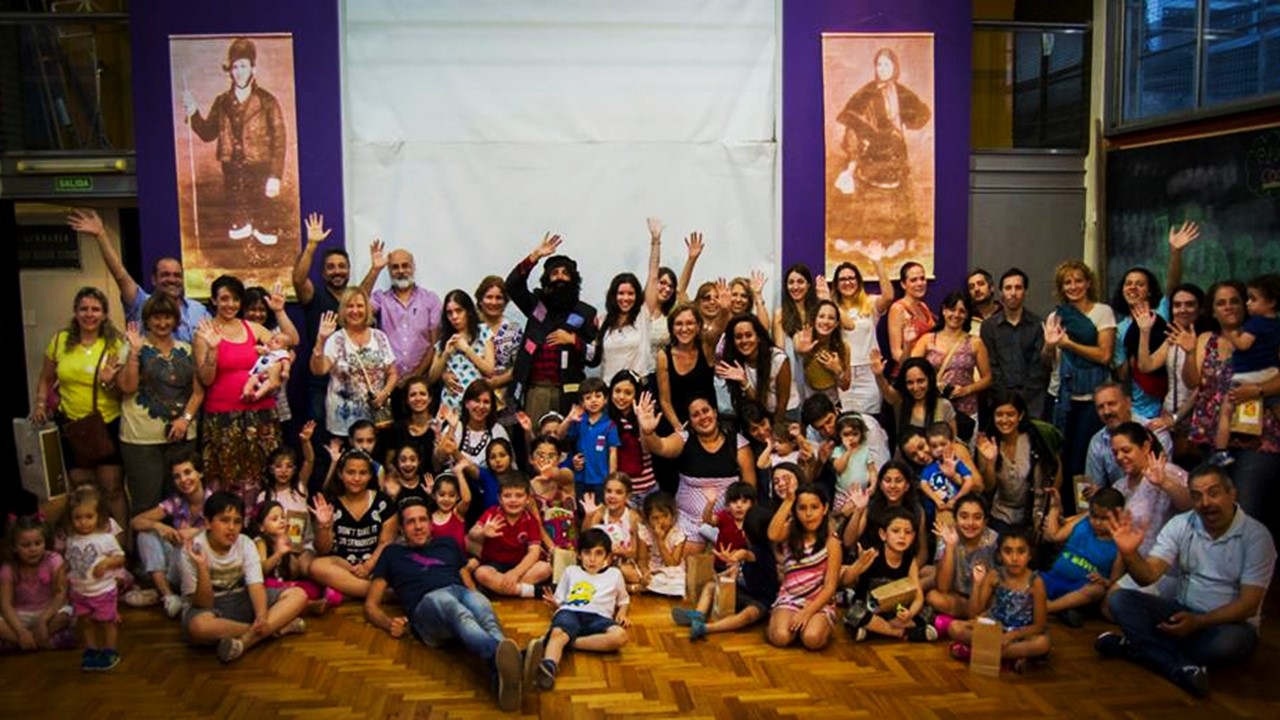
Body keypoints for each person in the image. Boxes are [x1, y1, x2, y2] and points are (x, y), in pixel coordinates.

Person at [1097, 464, 1277, 698]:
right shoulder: (1181, 523)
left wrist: (1199, 622)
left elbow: (1249, 605)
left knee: (1228, 644)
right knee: (1120, 600)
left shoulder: (1257, 537)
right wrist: (1130, 553)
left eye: (1213, 493)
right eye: (1197, 496)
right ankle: (1178, 666)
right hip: (1182, 611)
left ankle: (1138, 648)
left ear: (1232, 493)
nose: (1206, 503)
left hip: (1229, 624)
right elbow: (1147, 576)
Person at [364, 497, 524, 712]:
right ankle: (514, 659)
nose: (418, 526)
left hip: (458, 593)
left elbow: (467, 582)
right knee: (450, 605)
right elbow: (371, 605)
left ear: (431, 523)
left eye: (423, 520)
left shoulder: (447, 543)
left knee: (482, 607)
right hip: (427, 608)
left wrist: (477, 600)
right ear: (401, 528)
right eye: (411, 522)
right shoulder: (391, 554)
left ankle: (504, 678)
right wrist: (388, 623)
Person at [1181, 281, 1280, 524]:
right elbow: (1193, 382)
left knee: (1247, 508)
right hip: (1213, 439)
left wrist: (1256, 390)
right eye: (1221, 303)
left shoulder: (1264, 334)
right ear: (1213, 311)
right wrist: (1190, 353)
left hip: (1257, 437)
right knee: (1217, 511)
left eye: (1235, 301)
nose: (1229, 307)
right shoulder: (1206, 339)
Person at [33, 287, 130, 535]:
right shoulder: (60, 340)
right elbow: (46, 378)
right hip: (71, 427)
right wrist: (40, 404)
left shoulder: (116, 343)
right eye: (84, 309)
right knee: (82, 491)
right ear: (75, 313)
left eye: (95, 309)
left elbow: (125, 390)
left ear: (104, 314)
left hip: (106, 425)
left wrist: (109, 381)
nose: (89, 314)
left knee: (112, 491)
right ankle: (89, 544)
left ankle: (122, 545)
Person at [194, 277, 297, 510]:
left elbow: (290, 342)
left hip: (261, 416)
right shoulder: (204, 332)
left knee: (264, 476)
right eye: (224, 298)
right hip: (223, 418)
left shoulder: (253, 328)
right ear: (213, 300)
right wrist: (212, 349)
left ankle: (261, 524)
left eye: (235, 299)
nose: (230, 304)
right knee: (227, 480)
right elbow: (206, 379)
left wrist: (279, 312)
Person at [179, 491, 308, 663]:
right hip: (210, 608)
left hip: (242, 598)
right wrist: (202, 567)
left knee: (298, 594)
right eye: (224, 520)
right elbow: (204, 603)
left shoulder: (246, 543)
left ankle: (244, 642)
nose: (231, 527)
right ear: (208, 522)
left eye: (237, 521)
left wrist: (261, 617)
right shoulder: (192, 549)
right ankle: (274, 629)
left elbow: (256, 585)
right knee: (198, 627)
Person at [181, 37, 286, 245]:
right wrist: (193, 112)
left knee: (265, 233)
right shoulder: (221, 102)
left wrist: (275, 176)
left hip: (261, 170)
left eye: (243, 66)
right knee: (238, 235)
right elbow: (208, 133)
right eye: (235, 67)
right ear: (230, 71)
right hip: (232, 173)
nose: (239, 72)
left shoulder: (267, 101)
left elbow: (279, 140)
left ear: (253, 69)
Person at [831, 47, 931, 249]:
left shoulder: (901, 92)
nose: (883, 68)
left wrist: (905, 124)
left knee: (899, 196)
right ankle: (867, 240)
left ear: (895, 67)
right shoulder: (867, 93)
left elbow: (922, 113)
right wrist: (857, 151)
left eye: (887, 64)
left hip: (895, 153)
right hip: (871, 155)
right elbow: (853, 123)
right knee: (867, 198)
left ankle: (900, 239)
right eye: (879, 64)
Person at [117, 294, 204, 520]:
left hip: (182, 437)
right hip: (141, 440)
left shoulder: (188, 349)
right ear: (147, 320)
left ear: (175, 320)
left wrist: (185, 419)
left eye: (167, 317)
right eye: (156, 318)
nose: (162, 323)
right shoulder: (132, 346)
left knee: (180, 501)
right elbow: (127, 387)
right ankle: (149, 544)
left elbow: (198, 391)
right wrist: (134, 354)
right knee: (146, 502)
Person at [636, 393, 757, 552]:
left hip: (728, 524)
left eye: (705, 411)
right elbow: (660, 447)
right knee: (682, 563)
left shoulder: (738, 443)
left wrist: (741, 525)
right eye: (695, 415)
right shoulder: (684, 439)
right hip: (688, 523)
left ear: (715, 412)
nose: (702, 417)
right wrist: (648, 432)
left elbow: (750, 490)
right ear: (690, 421)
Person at [68, 208, 211, 343]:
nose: (172, 280)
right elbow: (120, 275)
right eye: (165, 275)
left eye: (177, 275)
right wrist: (101, 235)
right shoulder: (141, 303)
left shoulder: (198, 311)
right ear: (154, 279)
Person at [1110, 221, 1200, 419]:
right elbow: (1123, 375)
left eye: (1140, 284)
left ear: (1149, 291)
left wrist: (1175, 253)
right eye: (1128, 284)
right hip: (1141, 407)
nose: (1133, 288)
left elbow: (1173, 284)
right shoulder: (1119, 328)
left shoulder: (1163, 311)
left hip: (1173, 401)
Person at [524, 527, 631, 692]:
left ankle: (567, 644)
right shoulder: (571, 571)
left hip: (600, 618)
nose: (592, 559)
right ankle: (549, 667)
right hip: (571, 612)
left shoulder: (615, 574)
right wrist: (554, 604)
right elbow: (560, 602)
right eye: (587, 553)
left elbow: (624, 600)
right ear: (579, 555)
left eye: (598, 553)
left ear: (608, 557)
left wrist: (622, 613)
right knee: (559, 632)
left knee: (620, 637)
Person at [506, 233, 599, 421]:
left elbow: (594, 357)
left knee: (567, 438)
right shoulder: (536, 305)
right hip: (536, 391)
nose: (560, 277)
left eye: (565, 273)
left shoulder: (586, 313)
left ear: (573, 279)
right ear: (547, 279)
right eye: (555, 273)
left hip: (570, 394)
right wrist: (535, 256)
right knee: (534, 438)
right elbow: (512, 286)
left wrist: (573, 340)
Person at [1043, 260, 1116, 484]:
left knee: (1084, 458)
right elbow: (1047, 362)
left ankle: (1083, 503)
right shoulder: (1056, 317)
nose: (1073, 287)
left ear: (1088, 283)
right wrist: (1049, 345)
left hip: (1092, 398)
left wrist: (1069, 344)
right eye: (1067, 282)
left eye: (1078, 281)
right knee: (1060, 456)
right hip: (1060, 395)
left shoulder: (1102, 312)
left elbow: (1104, 355)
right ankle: (1062, 502)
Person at [946, 529, 1051, 673]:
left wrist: (1011, 635)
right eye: (1008, 551)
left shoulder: (1035, 582)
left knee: (1042, 644)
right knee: (955, 627)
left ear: (1030, 555)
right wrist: (977, 584)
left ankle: (977, 653)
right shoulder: (995, 575)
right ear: (1000, 554)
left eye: (1021, 551)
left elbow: (1039, 625)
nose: (1014, 558)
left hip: (1021, 633)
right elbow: (974, 613)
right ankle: (1008, 657)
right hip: (994, 628)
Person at [359, 241, 443, 416]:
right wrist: (375, 270)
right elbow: (357, 305)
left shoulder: (430, 299)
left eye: (405, 265)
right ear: (389, 271)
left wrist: (415, 375)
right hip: (389, 385)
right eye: (395, 267)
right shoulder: (380, 299)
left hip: (423, 384)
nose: (401, 271)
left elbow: (434, 344)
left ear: (413, 267)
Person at [672, 504, 779, 641]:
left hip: (761, 600)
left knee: (747, 616)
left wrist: (734, 557)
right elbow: (741, 563)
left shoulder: (762, 553)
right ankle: (698, 615)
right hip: (743, 591)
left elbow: (745, 554)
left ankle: (705, 628)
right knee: (710, 586)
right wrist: (730, 572)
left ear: (744, 532)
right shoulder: (750, 547)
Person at [307, 450, 398, 603]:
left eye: (363, 473)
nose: (356, 478)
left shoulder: (384, 502)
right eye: (350, 472)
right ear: (340, 474)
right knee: (316, 566)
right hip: (343, 567)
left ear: (370, 476)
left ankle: (347, 592)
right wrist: (324, 526)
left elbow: (385, 543)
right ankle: (381, 594)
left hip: (376, 564)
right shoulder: (330, 504)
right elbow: (323, 550)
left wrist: (367, 567)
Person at [1134, 283, 1208, 465]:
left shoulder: (1205, 338)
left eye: (1189, 304)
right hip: (1168, 417)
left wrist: (1175, 418)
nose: (1183, 309)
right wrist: (1144, 332)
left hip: (1193, 419)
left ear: (1200, 309)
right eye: (1177, 305)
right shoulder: (1172, 337)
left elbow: (1200, 386)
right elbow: (1146, 366)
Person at [130, 454, 211, 619]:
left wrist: (196, 532)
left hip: (203, 564)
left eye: (188, 472)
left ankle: (185, 598)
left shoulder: (214, 500)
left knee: (191, 543)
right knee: (145, 534)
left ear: (200, 473)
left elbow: (225, 530)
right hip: (176, 562)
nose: (183, 480)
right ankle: (169, 597)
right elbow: (135, 522)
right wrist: (158, 526)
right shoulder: (177, 502)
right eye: (177, 476)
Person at [840, 506, 936, 643]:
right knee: (854, 614)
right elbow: (845, 580)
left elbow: (918, 595)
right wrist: (858, 566)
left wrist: (910, 613)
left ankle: (875, 632)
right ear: (883, 534)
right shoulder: (872, 554)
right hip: (870, 608)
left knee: (928, 613)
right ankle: (902, 634)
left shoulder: (910, 561)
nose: (902, 536)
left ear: (914, 536)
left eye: (908, 532)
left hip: (896, 609)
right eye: (895, 531)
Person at [310, 288, 398, 439]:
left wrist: (385, 393)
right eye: (350, 306)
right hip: (343, 424)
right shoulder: (335, 340)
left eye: (359, 306)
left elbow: (393, 373)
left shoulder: (380, 337)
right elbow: (319, 370)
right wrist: (321, 341)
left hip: (375, 421)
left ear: (367, 309)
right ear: (343, 310)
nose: (355, 311)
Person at [765, 483, 842, 650]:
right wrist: (788, 502)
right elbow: (772, 534)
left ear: (824, 508)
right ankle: (780, 619)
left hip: (819, 601)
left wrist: (807, 613)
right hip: (790, 596)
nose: (808, 514)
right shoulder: (789, 532)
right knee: (781, 637)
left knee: (812, 639)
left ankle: (820, 625)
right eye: (802, 508)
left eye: (814, 507)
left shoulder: (832, 542)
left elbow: (830, 587)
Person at [291, 212, 350, 428]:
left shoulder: (353, 299)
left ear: (349, 270)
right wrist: (312, 245)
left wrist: (375, 269)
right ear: (323, 273)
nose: (337, 271)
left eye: (342, 266)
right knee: (320, 432)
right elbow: (298, 280)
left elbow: (364, 293)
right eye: (331, 267)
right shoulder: (314, 295)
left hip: (351, 378)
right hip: (320, 378)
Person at [973, 390, 1061, 536]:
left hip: (1033, 514)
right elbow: (988, 487)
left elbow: (1055, 467)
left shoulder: (1034, 439)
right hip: (1000, 514)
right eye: (999, 415)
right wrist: (990, 462)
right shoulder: (988, 443)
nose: (1004, 420)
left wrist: (1047, 509)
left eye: (1010, 414)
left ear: (1020, 416)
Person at [819, 252, 894, 414]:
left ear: (859, 281)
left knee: (869, 420)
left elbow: (888, 297)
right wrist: (828, 300)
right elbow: (848, 325)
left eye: (851, 278)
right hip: (842, 371)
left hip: (869, 371)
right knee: (846, 419)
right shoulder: (830, 309)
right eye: (842, 279)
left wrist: (878, 263)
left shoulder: (870, 303)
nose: (848, 282)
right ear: (836, 284)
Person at [1039, 487, 1125, 627]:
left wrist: (1104, 581)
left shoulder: (1120, 544)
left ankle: (1048, 608)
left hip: (1080, 589)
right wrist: (1055, 508)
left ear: (1118, 517)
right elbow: (1053, 536)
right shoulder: (1082, 521)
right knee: (1026, 579)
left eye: (1104, 518)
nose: (1097, 522)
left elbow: (1114, 581)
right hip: (1053, 577)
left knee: (1097, 590)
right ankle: (1064, 610)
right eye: (1094, 516)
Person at [591, 219, 664, 381]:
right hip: (609, 389)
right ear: (613, 295)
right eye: (621, 293)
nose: (625, 298)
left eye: (630, 294)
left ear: (637, 296)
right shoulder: (604, 321)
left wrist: (655, 242)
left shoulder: (643, 315)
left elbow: (653, 276)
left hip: (637, 387)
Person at [62, 485, 125, 671]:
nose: (83, 522)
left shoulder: (105, 538)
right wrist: (62, 573)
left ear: (98, 515)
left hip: (103, 591)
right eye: (78, 518)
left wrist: (106, 563)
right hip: (80, 592)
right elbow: (69, 560)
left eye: (89, 517)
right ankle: (92, 649)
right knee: (86, 622)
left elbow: (120, 557)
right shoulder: (71, 539)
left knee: (106, 622)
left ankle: (110, 651)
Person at [980, 268, 1049, 419]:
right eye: (1008, 288)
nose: (1013, 293)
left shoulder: (1038, 325)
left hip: (1033, 402)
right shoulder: (989, 327)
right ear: (1001, 292)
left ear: (1025, 292)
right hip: (998, 400)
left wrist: (1021, 399)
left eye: (1018, 288)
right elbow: (992, 366)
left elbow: (1038, 367)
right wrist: (1006, 398)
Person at [0, 514, 75, 652]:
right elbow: (5, 603)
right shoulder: (9, 567)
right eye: (25, 545)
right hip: (21, 615)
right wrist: (21, 631)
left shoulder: (54, 559)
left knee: (66, 616)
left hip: (49, 612)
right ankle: (34, 640)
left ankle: (23, 644)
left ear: (45, 542)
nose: (33, 549)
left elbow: (60, 594)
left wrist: (42, 621)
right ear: (14, 547)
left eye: (38, 543)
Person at [912, 291, 991, 420]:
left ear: (967, 315)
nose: (956, 315)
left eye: (962, 311)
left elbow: (988, 378)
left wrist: (966, 390)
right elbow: (911, 370)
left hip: (966, 410)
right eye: (952, 310)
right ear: (944, 310)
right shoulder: (927, 340)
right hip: (934, 408)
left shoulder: (975, 342)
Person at [469, 474, 552, 598]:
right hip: (494, 565)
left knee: (545, 568)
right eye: (507, 496)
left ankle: (497, 590)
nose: (513, 500)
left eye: (519, 495)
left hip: (521, 566)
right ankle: (525, 590)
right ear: (499, 499)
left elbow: (534, 552)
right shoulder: (492, 513)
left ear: (527, 499)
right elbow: (472, 534)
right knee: (481, 573)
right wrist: (482, 532)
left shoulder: (531, 520)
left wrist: (515, 573)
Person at [1084, 382, 1173, 493]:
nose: (1106, 411)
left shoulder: (1156, 433)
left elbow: (1165, 479)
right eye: (1100, 407)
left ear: (1128, 403)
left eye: (1111, 404)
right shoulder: (1097, 442)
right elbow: (1093, 488)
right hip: (1116, 500)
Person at [927, 494, 997, 625]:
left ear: (985, 521)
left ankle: (963, 620)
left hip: (983, 598)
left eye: (977, 517)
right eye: (964, 517)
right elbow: (943, 587)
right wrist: (950, 546)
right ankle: (970, 618)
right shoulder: (949, 535)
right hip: (958, 595)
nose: (970, 523)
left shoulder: (993, 541)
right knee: (933, 597)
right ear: (955, 519)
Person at [718, 314, 799, 425]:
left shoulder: (778, 359)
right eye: (738, 337)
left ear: (759, 337)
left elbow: (782, 403)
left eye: (748, 335)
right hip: (759, 413)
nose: (744, 341)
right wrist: (744, 382)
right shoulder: (735, 361)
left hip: (785, 413)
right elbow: (756, 405)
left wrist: (773, 429)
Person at [428, 289, 496, 412]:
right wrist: (446, 354)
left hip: (477, 404)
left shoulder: (483, 331)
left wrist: (467, 349)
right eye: (449, 313)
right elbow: (432, 377)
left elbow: (489, 370)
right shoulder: (444, 339)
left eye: (459, 311)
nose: (454, 317)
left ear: (468, 311)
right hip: (450, 403)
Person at [474, 275, 525, 436]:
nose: (494, 302)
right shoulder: (470, 326)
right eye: (489, 297)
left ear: (505, 301)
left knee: (502, 443)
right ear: (480, 299)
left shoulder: (513, 329)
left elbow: (519, 365)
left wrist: (497, 381)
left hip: (504, 399)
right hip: (472, 395)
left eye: (499, 298)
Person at [655, 304, 716, 429]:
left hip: (706, 421)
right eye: (678, 324)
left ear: (698, 326)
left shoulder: (706, 348)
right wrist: (679, 429)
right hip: (675, 423)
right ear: (671, 328)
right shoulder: (663, 356)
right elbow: (665, 401)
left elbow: (720, 324)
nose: (684, 329)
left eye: (690, 323)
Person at [774, 263, 821, 403]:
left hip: (817, 372)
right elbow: (780, 351)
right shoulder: (781, 314)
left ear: (808, 285)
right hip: (793, 374)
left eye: (800, 282)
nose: (795, 287)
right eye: (791, 282)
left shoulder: (818, 311)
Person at [792, 299, 852, 407]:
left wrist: (837, 370)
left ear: (836, 324)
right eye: (821, 316)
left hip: (832, 404)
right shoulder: (801, 339)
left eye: (831, 318)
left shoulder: (843, 348)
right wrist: (802, 352)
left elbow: (845, 386)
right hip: (806, 405)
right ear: (814, 319)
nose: (825, 321)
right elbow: (797, 350)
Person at [887, 262, 935, 372]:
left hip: (926, 372)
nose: (920, 283)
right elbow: (896, 353)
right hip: (907, 373)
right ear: (903, 284)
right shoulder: (898, 309)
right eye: (913, 280)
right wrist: (913, 367)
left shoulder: (923, 306)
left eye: (922, 278)